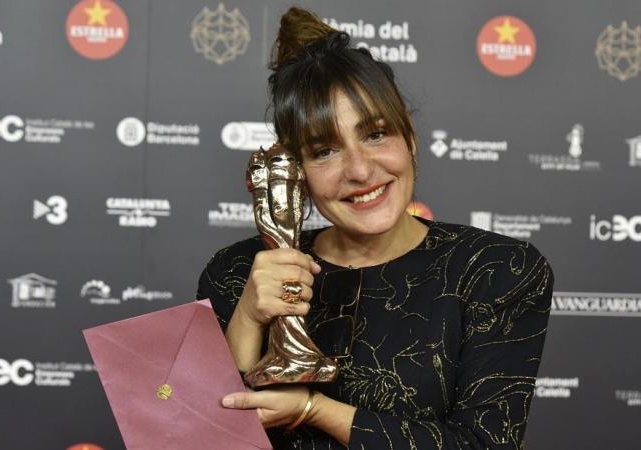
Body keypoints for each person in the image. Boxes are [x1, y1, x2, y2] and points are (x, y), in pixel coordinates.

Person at [196, 7, 553, 449]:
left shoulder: (495, 270)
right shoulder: (236, 272)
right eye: (325, 151)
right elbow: (193, 435)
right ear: (296, 170)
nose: (360, 171)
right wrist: (248, 319)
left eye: (376, 135)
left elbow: (484, 444)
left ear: (410, 138)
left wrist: (315, 409)